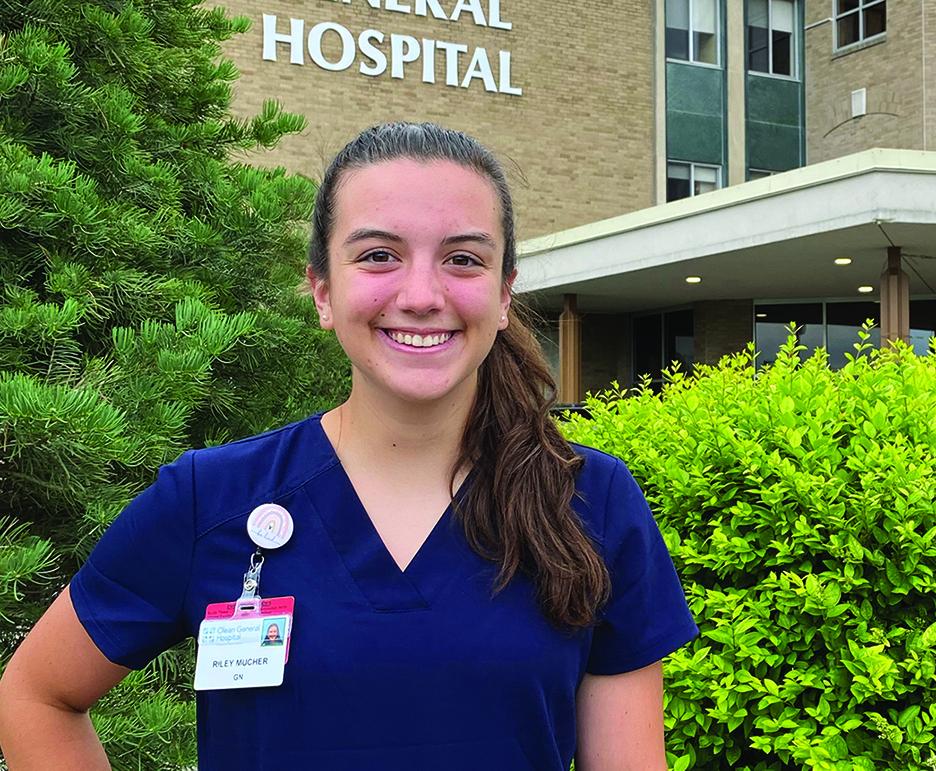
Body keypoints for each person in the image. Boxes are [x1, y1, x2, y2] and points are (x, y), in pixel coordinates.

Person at [0, 122, 698, 770]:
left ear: (505, 292)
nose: (422, 293)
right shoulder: (208, 500)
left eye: (462, 257)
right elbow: (35, 694)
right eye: (378, 255)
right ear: (322, 291)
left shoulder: (592, 502)